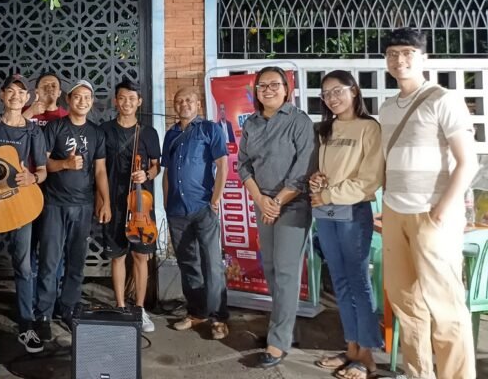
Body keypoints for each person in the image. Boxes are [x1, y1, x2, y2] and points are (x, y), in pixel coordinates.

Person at [379, 27, 478, 379]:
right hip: (395, 212)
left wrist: (442, 211)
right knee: (405, 303)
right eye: (392, 54)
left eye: (408, 53)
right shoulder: (387, 107)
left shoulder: (443, 99)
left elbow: (468, 162)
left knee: (446, 306)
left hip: (432, 215)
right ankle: (418, 374)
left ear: (424, 58)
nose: (399, 60)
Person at [237, 66, 315, 368]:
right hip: (264, 203)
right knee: (270, 268)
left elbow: (303, 168)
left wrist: (278, 201)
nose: (268, 90)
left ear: (286, 89)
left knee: (285, 271)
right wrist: (261, 200)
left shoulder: (299, 121)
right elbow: (244, 165)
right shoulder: (252, 123)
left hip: (292, 205)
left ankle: (278, 342)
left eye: (274, 85)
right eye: (262, 86)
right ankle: (285, 328)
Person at [310, 71, 384, 379]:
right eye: (326, 94)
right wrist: (316, 180)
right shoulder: (325, 129)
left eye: (337, 90)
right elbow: (323, 171)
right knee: (339, 281)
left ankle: (367, 354)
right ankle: (351, 347)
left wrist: (327, 193)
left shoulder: (369, 127)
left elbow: (370, 179)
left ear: (354, 91)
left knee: (358, 281)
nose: (332, 98)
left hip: (353, 212)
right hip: (326, 213)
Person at [0, 73, 48, 354]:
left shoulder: (33, 131)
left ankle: (26, 325)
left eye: (21, 92)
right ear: (2, 95)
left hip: (20, 204)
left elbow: (42, 170)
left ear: (28, 98)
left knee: (25, 267)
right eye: (10, 91)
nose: (16, 96)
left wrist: (33, 178)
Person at [34, 79, 111, 338]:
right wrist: (65, 164)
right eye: (77, 97)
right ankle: (43, 314)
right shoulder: (55, 127)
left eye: (87, 97)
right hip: (55, 204)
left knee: (76, 262)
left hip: (84, 205)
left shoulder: (96, 133)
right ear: (68, 100)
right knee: (49, 261)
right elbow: (43, 164)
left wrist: (105, 201)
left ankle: (67, 308)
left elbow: (100, 170)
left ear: (92, 102)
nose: (82, 101)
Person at [161, 86, 230, 341]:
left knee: (212, 264)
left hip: (203, 208)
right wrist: (166, 204)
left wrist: (216, 199)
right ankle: (197, 312)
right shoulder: (171, 134)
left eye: (189, 100)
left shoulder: (210, 129)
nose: (184, 104)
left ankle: (219, 317)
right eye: (179, 101)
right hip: (176, 211)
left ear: (198, 104)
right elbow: (166, 172)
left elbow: (222, 165)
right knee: (188, 263)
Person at [100, 79, 161, 332]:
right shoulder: (105, 130)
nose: (127, 103)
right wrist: (102, 202)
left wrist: (146, 174)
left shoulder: (148, 133)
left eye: (132, 99)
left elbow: (156, 166)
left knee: (140, 256)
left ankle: (139, 309)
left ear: (139, 102)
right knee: (117, 256)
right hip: (114, 202)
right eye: (122, 98)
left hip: (140, 205)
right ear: (116, 101)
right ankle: (121, 306)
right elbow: (99, 169)